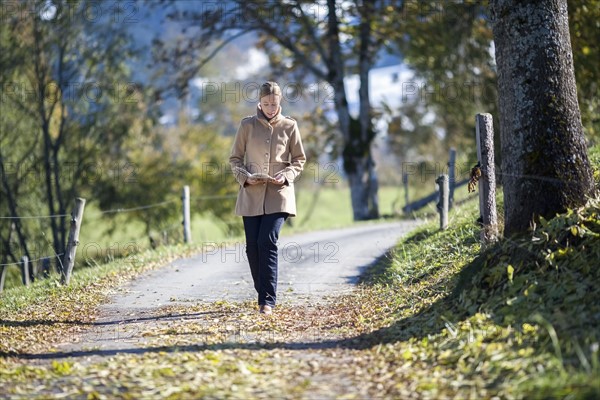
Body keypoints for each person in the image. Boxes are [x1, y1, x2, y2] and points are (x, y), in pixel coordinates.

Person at [229, 81, 306, 315]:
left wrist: (287, 175)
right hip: (251, 195)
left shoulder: (290, 126)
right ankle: (262, 292)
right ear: (259, 103)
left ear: (280, 101)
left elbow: (299, 159)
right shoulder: (247, 126)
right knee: (252, 247)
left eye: (274, 103)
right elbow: (234, 160)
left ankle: (268, 301)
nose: (271, 108)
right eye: (266, 104)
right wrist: (245, 177)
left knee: (267, 241)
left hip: (279, 195)